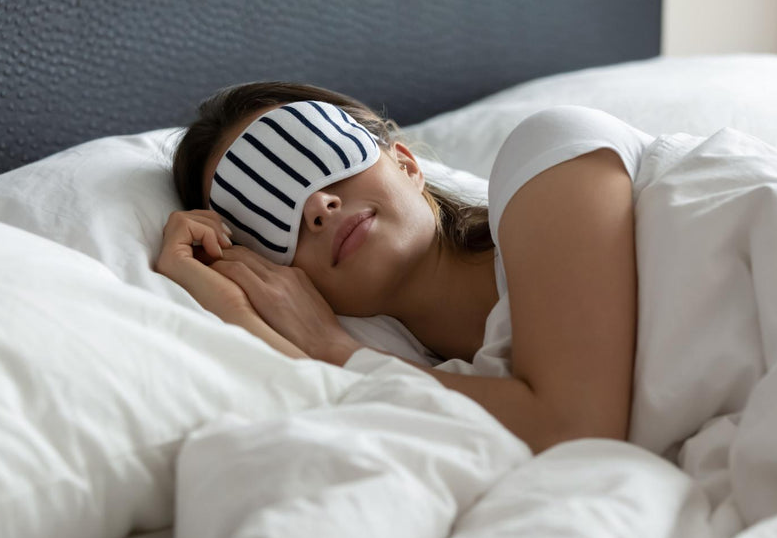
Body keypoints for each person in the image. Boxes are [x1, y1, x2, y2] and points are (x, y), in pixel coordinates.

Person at [156, 82, 643, 453]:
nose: (317, 207)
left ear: (407, 164)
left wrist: (332, 347)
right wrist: (238, 311)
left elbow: (574, 432)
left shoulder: (551, 159)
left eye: (318, 157)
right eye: (268, 215)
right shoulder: (455, 386)